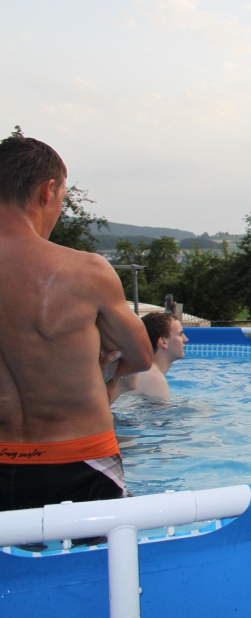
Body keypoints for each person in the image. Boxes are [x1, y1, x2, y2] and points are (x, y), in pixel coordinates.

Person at [0, 134, 153, 511]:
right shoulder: (86, 272)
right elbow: (141, 356)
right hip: (82, 458)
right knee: (104, 551)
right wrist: (99, 373)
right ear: (47, 191)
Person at [113, 312, 188, 401]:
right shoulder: (154, 378)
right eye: (180, 334)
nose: (186, 339)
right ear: (163, 342)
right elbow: (160, 409)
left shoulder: (139, 371)